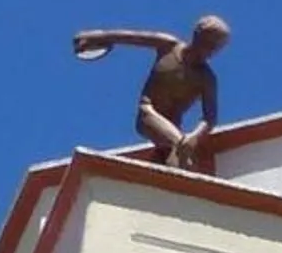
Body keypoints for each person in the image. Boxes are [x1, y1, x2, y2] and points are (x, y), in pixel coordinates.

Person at [71, 16, 230, 170]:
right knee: (181, 149)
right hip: (148, 112)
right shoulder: (169, 46)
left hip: (173, 124)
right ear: (197, 36)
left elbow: (209, 118)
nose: (210, 52)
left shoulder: (206, 78)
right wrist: (98, 36)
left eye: (215, 48)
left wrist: (194, 136)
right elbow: (134, 38)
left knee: (175, 154)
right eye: (208, 44)